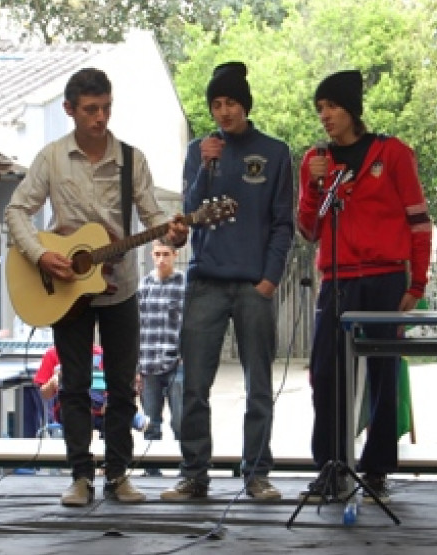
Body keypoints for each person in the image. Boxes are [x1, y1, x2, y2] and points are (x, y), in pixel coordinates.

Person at [4, 67, 187, 506]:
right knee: (74, 386)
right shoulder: (50, 158)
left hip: (120, 287)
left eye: (106, 108)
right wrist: (41, 255)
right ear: (70, 110)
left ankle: (119, 474)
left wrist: (173, 233)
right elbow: (15, 210)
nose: (100, 118)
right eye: (90, 110)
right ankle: (80, 477)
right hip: (65, 289)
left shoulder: (131, 159)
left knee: (124, 386)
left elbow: (152, 217)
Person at [297, 70, 432, 503]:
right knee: (325, 375)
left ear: (351, 109)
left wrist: (419, 279)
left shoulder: (391, 153)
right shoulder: (315, 160)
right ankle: (331, 467)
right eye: (319, 109)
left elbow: (418, 221)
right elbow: (309, 229)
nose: (325, 116)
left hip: (385, 277)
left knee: (383, 374)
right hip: (337, 279)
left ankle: (376, 470)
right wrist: (311, 186)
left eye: (331, 106)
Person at [161, 62, 294, 501]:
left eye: (231, 102)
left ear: (245, 104)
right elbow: (190, 212)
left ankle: (256, 472)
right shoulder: (201, 149)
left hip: (254, 285)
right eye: (216, 104)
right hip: (206, 282)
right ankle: (194, 475)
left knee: (259, 384)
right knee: (195, 385)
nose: (224, 112)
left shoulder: (275, 152)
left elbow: (282, 223)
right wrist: (204, 167)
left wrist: (270, 279)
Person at [136, 239, 185, 477]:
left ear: (175, 255)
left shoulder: (184, 285)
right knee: (150, 422)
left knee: (181, 421)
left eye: (166, 254)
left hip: (176, 362)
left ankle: (184, 470)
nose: (161, 259)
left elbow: (193, 323)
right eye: (157, 254)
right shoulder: (144, 286)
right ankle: (151, 471)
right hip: (147, 363)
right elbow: (134, 327)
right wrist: (134, 368)